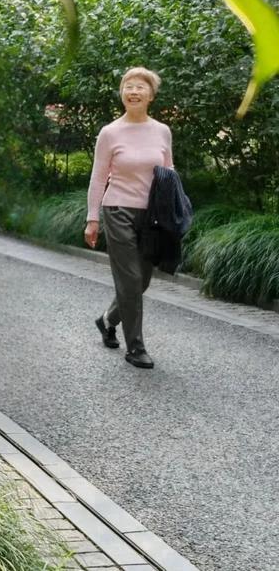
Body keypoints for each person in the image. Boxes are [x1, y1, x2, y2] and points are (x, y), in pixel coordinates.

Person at [84, 67, 173, 369]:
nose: (134, 91)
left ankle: (108, 319)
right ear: (122, 93)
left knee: (143, 280)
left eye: (140, 87)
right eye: (128, 86)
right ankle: (135, 347)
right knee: (131, 279)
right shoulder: (110, 133)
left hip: (152, 216)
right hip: (117, 209)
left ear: (151, 95)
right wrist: (92, 218)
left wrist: (174, 213)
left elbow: (168, 174)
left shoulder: (162, 131)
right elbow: (98, 178)